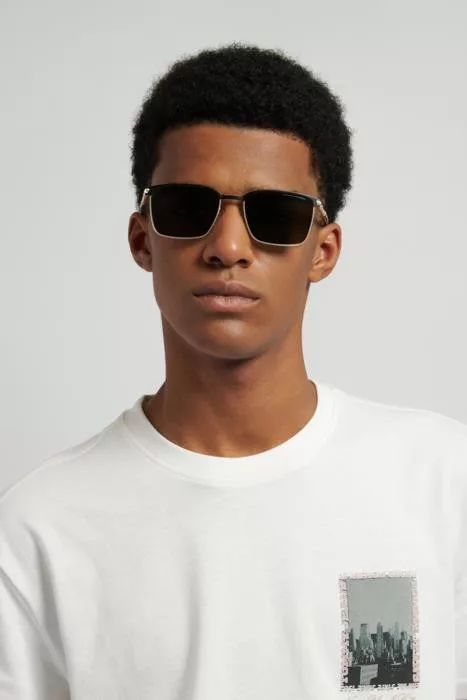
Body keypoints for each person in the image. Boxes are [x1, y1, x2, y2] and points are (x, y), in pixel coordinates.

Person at [0, 42, 466, 700]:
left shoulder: (442, 484)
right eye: (187, 208)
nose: (226, 247)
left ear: (323, 250)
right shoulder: (39, 529)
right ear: (142, 238)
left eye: (275, 216)